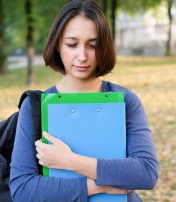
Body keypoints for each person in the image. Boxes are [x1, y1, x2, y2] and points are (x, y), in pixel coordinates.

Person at [9, 0, 159, 201]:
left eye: (93, 45)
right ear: (57, 46)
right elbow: (22, 189)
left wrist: (70, 160)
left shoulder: (126, 101)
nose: (82, 56)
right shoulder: (35, 106)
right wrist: (98, 186)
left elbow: (146, 173)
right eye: (72, 44)